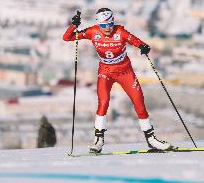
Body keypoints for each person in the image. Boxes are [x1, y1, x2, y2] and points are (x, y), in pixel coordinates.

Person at [63, 8, 172, 153]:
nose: (107, 28)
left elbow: (135, 40)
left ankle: (151, 140)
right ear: (98, 24)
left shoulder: (120, 32)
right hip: (106, 72)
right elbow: (67, 37)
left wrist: (143, 46)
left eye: (110, 24)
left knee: (139, 101)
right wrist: (74, 25)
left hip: (125, 72)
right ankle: (98, 140)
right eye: (103, 25)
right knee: (104, 102)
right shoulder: (92, 32)